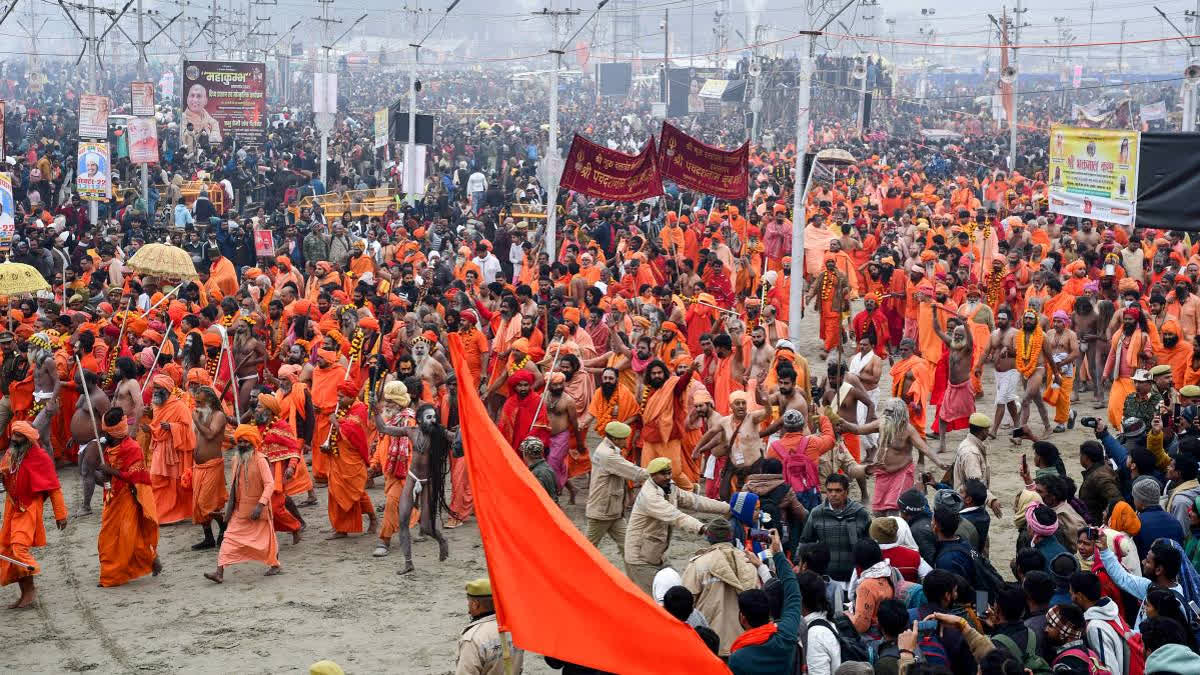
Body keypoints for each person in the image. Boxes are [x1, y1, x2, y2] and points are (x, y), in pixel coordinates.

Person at [623, 456, 729, 593]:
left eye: (669, 472)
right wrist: (703, 528)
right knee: (655, 601)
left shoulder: (669, 486)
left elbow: (694, 501)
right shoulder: (650, 496)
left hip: (657, 554)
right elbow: (676, 516)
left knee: (673, 592)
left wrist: (726, 507)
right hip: (640, 559)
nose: (668, 477)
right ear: (652, 476)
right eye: (663, 474)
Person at [372, 402, 450, 575]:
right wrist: (377, 413)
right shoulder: (411, 431)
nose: (433, 420)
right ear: (420, 420)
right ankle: (408, 563)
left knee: (427, 527)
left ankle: (441, 540)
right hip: (412, 477)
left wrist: (462, 432)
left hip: (428, 481)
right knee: (403, 520)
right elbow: (384, 428)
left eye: (434, 417)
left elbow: (458, 439)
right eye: (429, 417)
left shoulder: (440, 433)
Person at [0, 421, 67, 608]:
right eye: (13, 434)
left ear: (28, 439)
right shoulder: (11, 453)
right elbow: (5, 472)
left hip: (29, 507)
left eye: (18, 436)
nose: (14, 439)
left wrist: (60, 515)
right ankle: (26, 593)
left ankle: (33, 572)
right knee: (7, 550)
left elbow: (54, 488)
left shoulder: (40, 457)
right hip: (11, 506)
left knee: (19, 548)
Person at [204, 425, 280, 583]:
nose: (242, 445)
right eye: (240, 442)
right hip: (240, 510)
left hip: (259, 510)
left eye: (246, 442)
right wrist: (229, 508)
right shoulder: (236, 459)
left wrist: (260, 506)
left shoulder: (260, 460)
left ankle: (275, 565)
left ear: (253, 443)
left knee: (267, 540)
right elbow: (234, 486)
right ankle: (219, 572)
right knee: (229, 538)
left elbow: (270, 484)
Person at [95, 408, 161, 587]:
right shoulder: (108, 446)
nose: (103, 434)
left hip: (128, 497)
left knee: (127, 536)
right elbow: (103, 474)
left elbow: (136, 476)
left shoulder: (132, 447)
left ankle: (110, 576)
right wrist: (102, 474)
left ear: (114, 431)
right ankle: (150, 559)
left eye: (106, 432)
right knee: (107, 537)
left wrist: (111, 471)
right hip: (111, 497)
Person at [681, 516, 762, 655]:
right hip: (743, 643)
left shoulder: (698, 564)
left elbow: (684, 604)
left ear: (709, 537)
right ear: (731, 536)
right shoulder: (748, 562)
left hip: (708, 643)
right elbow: (758, 599)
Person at [727, 530, 801, 674]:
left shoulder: (738, 658)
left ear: (743, 618)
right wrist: (777, 553)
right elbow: (793, 593)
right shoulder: (786, 635)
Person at [1098, 530, 1184, 629]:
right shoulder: (1151, 586)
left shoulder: (1173, 603)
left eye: (1148, 561)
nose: (1143, 562)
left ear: (1159, 570)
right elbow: (1122, 578)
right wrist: (1104, 549)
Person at [585, 421, 649, 556]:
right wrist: (657, 474)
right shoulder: (608, 455)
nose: (627, 440)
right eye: (624, 438)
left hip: (613, 511)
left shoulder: (607, 449)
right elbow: (634, 472)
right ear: (614, 439)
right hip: (602, 512)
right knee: (586, 549)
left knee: (629, 548)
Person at [797, 474, 871, 582]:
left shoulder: (860, 513)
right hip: (826, 578)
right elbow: (805, 541)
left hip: (855, 577)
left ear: (846, 492)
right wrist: (798, 563)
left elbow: (870, 544)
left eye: (838, 490)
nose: (833, 494)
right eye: (830, 490)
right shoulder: (817, 513)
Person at [148, 374, 196, 526]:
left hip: (175, 449)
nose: (155, 391)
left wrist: (172, 427)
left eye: (158, 388)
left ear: (166, 390)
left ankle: (171, 514)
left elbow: (188, 429)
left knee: (172, 483)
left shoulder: (179, 406)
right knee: (156, 479)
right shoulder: (156, 405)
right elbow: (155, 425)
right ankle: (158, 513)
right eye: (154, 388)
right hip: (159, 448)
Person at [455, 578, 524, 674]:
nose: (468, 606)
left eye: (469, 601)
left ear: (475, 604)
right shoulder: (515, 628)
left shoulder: (473, 639)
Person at [1069, 571, 1126, 674]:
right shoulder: (1110, 610)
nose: (1071, 597)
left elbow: (1109, 669)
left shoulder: (1095, 627)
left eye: (1072, 593)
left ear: (1080, 596)